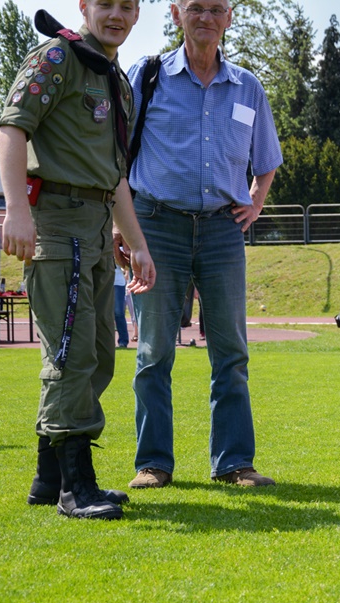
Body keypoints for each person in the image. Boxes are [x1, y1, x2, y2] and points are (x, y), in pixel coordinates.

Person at [0, 0, 156, 519]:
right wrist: (17, 210)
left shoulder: (115, 78)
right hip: (56, 222)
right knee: (69, 353)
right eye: (105, 3)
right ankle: (75, 487)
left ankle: (48, 477)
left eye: (127, 6)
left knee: (98, 353)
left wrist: (136, 243)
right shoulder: (56, 58)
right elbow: (12, 128)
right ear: (84, 6)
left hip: (94, 226)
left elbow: (116, 177)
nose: (117, 14)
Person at [125, 0, 282, 490]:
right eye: (196, 8)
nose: (206, 18)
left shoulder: (248, 86)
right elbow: (114, 156)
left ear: (229, 18)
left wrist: (255, 203)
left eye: (216, 9)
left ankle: (234, 463)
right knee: (153, 352)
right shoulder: (147, 77)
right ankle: (153, 464)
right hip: (155, 226)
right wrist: (121, 226)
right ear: (176, 14)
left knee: (231, 353)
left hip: (221, 232)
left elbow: (267, 159)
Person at [115, 264, 129, 348]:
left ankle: (123, 341)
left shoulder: (118, 250)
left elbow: (126, 265)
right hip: (103, 281)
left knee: (119, 312)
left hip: (118, 282)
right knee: (103, 314)